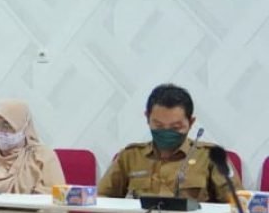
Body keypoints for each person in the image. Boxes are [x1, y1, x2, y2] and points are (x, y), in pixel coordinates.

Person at [99, 83, 238, 202]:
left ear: (191, 122)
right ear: (147, 118)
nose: (166, 132)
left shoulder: (211, 157)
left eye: (175, 127)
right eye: (159, 125)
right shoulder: (130, 156)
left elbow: (238, 205)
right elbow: (101, 200)